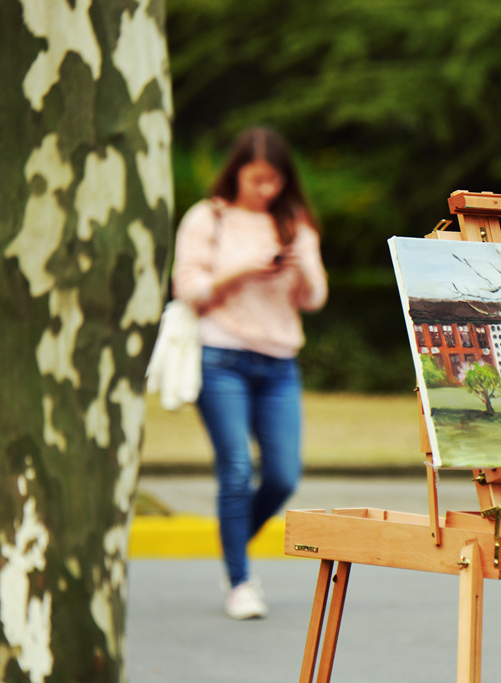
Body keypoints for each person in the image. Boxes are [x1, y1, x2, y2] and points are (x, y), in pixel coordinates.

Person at [172, 127, 328, 620]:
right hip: (221, 355)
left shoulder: (295, 222)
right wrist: (244, 268)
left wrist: (299, 263)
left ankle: (233, 543)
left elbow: (314, 299)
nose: (267, 189)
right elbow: (188, 288)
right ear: (237, 170)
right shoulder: (207, 217)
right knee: (236, 469)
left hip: (279, 362)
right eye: (257, 178)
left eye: (275, 180)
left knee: (283, 475)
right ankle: (240, 580)